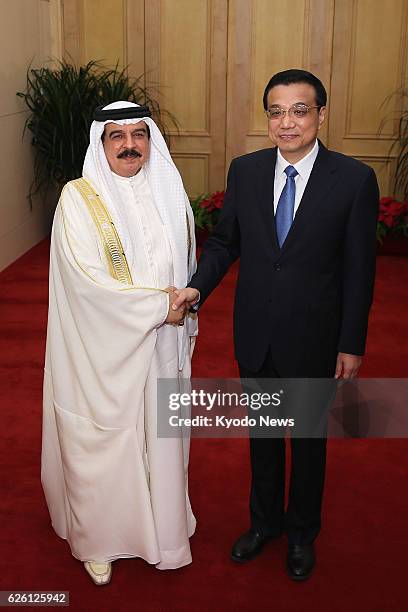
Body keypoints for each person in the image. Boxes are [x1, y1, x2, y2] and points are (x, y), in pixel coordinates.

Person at [174, 69, 379, 580]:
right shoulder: (245, 171)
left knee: (308, 442)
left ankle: (302, 534)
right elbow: (226, 244)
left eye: (299, 110)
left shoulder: (353, 180)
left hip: (316, 336)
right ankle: (263, 523)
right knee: (263, 436)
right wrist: (197, 286)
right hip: (257, 333)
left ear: (321, 114)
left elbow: (360, 269)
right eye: (276, 111)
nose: (286, 122)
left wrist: (351, 342)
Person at [41, 101, 198, 585]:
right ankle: (100, 540)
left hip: (163, 346)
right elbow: (85, 279)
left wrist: (181, 303)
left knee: (160, 436)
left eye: (139, 135)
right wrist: (158, 307)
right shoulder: (79, 199)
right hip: (100, 350)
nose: (130, 146)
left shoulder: (166, 193)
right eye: (117, 136)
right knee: (104, 439)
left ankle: (163, 527)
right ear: (101, 143)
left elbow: (186, 264)